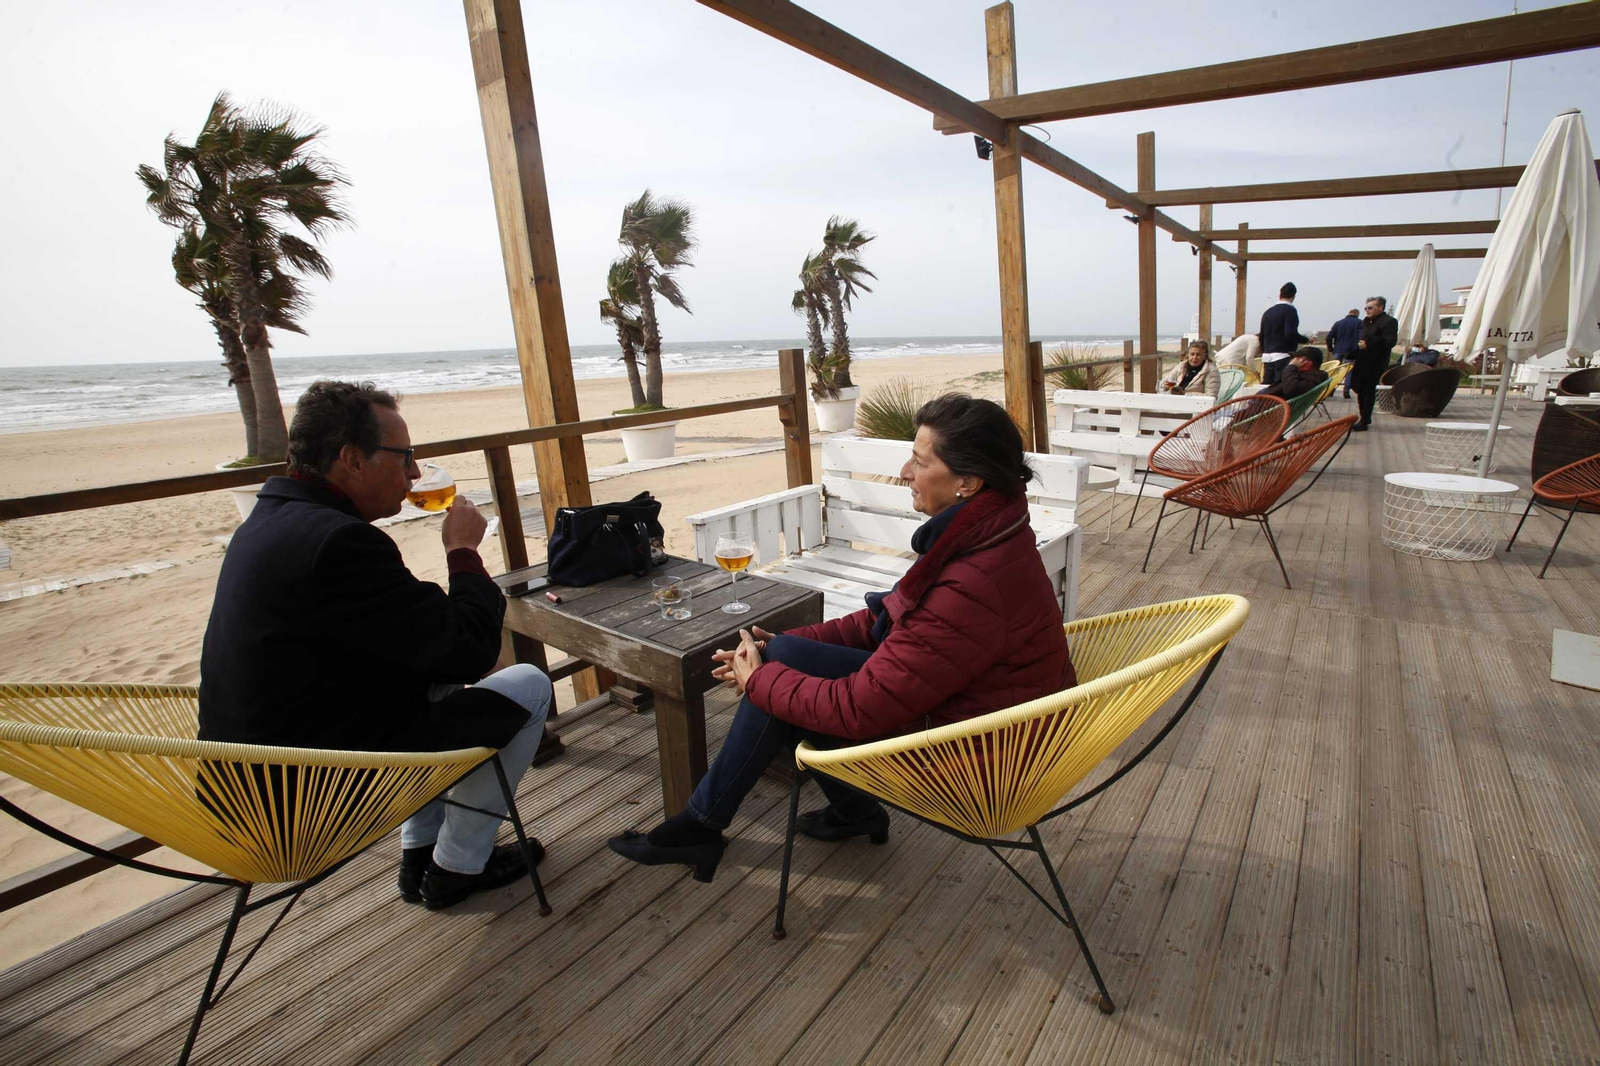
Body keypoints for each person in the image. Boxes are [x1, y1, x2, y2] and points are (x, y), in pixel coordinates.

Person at [607, 394, 1075, 881]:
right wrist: (778, 643)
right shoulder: (988, 533)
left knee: (781, 688)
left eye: (920, 462)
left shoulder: (972, 577)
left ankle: (704, 826)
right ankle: (833, 813)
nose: (905, 472)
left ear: (968, 482)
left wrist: (760, 681)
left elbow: (859, 708)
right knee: (784, 657)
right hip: (980, 714)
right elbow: (889, 619)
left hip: (982, 759)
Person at [199, 380, 552, 910]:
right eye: (405, 456)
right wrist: (462, 551)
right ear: (352, 460)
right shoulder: (339, 542)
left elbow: (407, 638)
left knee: (433, 679)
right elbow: (473, 650)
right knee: (529, 686)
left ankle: (420, 854)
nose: (415, 474)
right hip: (304, 803)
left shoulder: (268, 520)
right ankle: (459, 865)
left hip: (245, 783)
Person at [1349, 296, 1399, 431]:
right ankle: (1363, 417)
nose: (1367, 310)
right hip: (1362, 360)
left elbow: (1389, 341)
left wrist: (1369, 344)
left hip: (1375, 362)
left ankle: (1364, 420)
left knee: (1368, 390)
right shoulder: (1366, 321)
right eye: (1365, 308)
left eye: (1370, 307)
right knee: (1359, 388)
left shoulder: (1389, 321)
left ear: (1381, 307)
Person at [1258, 282, 1306, 386]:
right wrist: (1306, 340)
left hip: (1267, 355)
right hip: (1282, 354)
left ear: (1280, 295)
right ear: (1293, 296)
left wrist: (1264, 350)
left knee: (1267, 386)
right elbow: (1290, 333)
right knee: (1280, 385)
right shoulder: (1290, 310)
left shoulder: (1268, 312)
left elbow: (1262, 335)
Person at [1255, 347, 1329, 400]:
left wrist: (1291, 366)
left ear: (1308, 364)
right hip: (1262, 403)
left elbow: (1290, 389)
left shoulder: (1310, 379)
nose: (1293, 360)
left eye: (1297, 359)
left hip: (1263, 409)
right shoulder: (1308, 376)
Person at [1327, 308, 1362, 398]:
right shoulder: (1359, 323)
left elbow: (1329, 337)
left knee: (1335, 371)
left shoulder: (1338, 323)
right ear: (1357, 314)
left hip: (1338, 350)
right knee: (1349, 371)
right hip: (1351, 351)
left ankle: (1331, 390)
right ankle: (1346, 391)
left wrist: (1331, 349)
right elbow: (1361, 337)